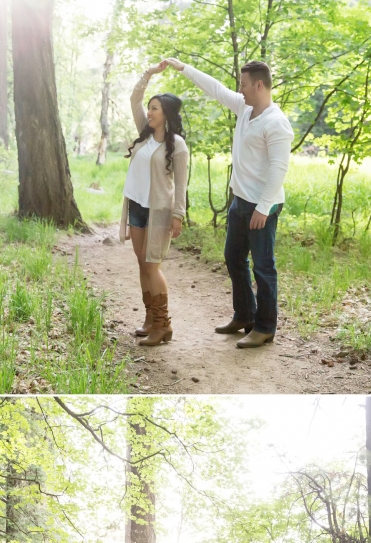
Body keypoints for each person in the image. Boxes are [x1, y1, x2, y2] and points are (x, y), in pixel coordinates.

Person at [161, 58, 293, 349]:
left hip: (262, 206)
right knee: (234, 259)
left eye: (244, 85)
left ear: (259, 85)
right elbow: (216, 89)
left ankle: (264, 327)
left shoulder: (276, 123)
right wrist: (183, 68)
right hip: (240, 202)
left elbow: (278, 169)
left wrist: (264, 207)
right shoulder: (245, 110)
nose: (241, 90)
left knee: (263, 267)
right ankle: (244, 315)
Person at [120, 64, 189, 346]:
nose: (149, 112)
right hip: (137, 205)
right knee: (141, 262)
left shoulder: (178, 145)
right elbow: (134, 99)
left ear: (167, 114)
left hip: (158, 211)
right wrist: (148, 74)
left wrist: (178, 215)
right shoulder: (145, 133)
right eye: (150, 108)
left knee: (152, 265)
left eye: (155, 108)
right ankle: (150, 319)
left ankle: (163, 325)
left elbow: (182, 184)